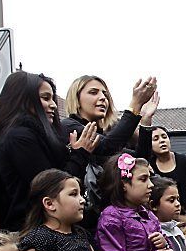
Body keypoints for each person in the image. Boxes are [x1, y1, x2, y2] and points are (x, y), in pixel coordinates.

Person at [0, 71, 99, 232]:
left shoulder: (37, 136)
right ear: (24, 100)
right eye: (45, 98)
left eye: (52, 98)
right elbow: (53, 187)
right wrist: (80, 154)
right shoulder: (19, 138)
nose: (53, 104)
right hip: (30, 231)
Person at [60, 75, 156, 230]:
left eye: (104, 94)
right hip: (79, 222)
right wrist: (135, 105)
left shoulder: (103, 135)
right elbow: (107, 146)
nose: (102, 98)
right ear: (76, 99)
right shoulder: (69, 126)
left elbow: (139, 161)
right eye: (93, 92)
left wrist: (145, 121)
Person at [135, 95, 186, 224]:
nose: (162, 141)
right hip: (159, 220)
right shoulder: (149, 166)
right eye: (156, 139)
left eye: (164, 137)